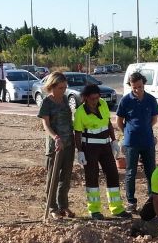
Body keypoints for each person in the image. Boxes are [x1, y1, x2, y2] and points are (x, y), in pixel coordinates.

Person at [74, 84, 130, 220]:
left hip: (105, 146)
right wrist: (80, 151)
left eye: (97, 98)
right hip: (89, 148)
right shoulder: (80, 112)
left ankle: (117, 208)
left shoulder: (103, 104)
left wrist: (114, 141)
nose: (95, 101)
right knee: (92, 177)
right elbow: (78, 133)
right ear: (86, 98)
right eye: (92, 99)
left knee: (112, 174)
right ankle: (94, 210)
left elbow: (108, 124)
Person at [116, 71, 158, 213]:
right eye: (134, 87)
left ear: (143, 84)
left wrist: (146, 129)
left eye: (140, 87)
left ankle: (151, 199)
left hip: (147, 141)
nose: (138, 90)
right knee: (130, 172)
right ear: (131, 86)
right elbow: (119, 121)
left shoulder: (151, 100)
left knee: (151, 171)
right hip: (131, 142)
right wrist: (128, 132)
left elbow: (153, 119)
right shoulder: (125, 100)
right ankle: (131, 202)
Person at [37, 71, 75, 219]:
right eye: (60, 87)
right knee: (52, 177)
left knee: (65, 178)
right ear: (52, 86)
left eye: (65, 87)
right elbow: (45, 124)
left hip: (69, 144)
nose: (63, 90)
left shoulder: (65, 99)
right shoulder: (47, 102)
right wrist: (56, 137)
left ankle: (63, 206)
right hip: (55, 146)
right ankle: (52, 207)